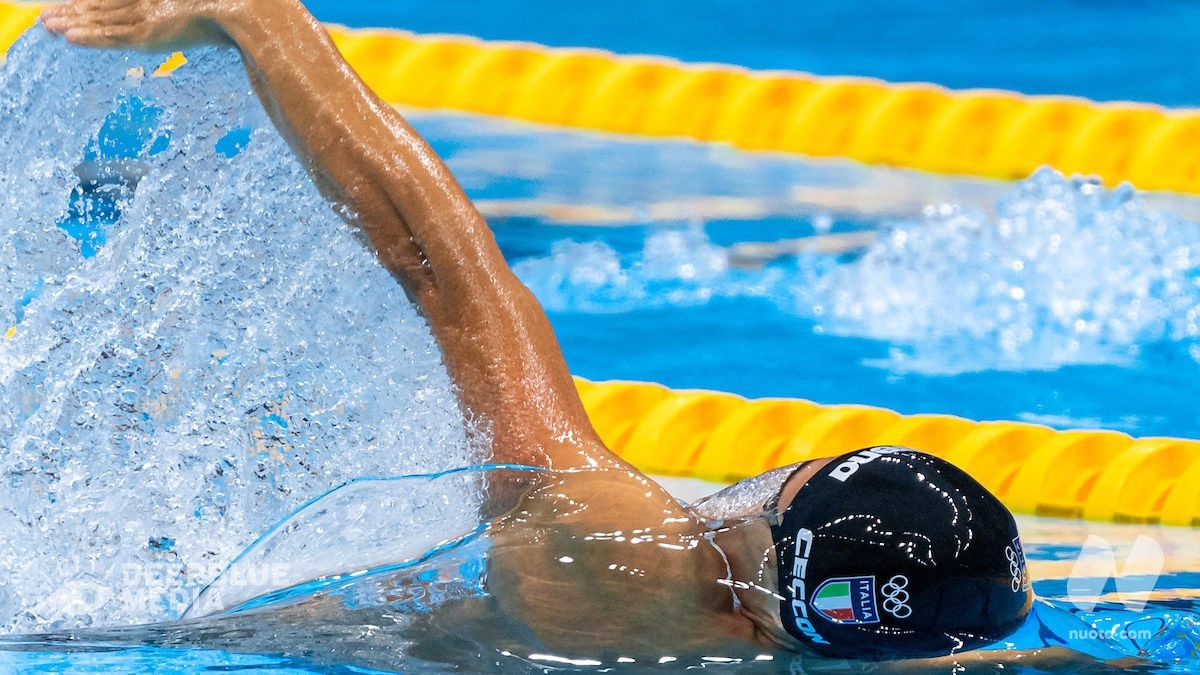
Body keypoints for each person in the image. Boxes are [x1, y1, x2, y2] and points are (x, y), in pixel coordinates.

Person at [39, 0, 1054, 666]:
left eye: (775, 484)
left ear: (759, 574)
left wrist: (263, 23)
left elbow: (442, 271)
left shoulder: (621, 548)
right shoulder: (918, 648)